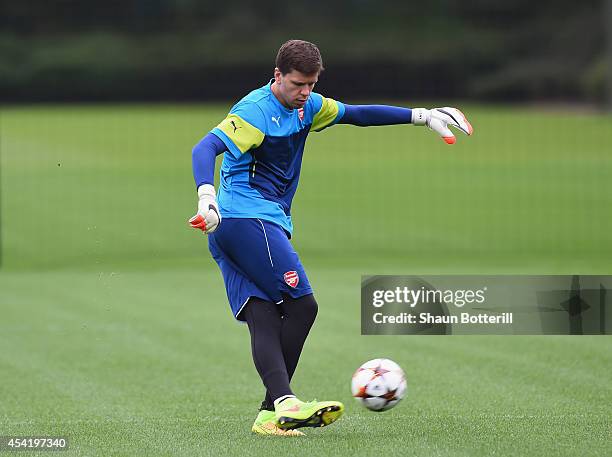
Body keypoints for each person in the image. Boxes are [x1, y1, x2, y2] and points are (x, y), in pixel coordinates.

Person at [189, 39, 473, 436]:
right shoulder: (254, 111)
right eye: (296, 84)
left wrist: (421, 116)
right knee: (303, 306)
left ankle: (273, 414)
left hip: (244, 226)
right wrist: (207, 197)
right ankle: (280, 404)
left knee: (264, 314)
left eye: (310, 84)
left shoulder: (308, 107)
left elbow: (357, 114)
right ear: (277, 76)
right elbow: (204, 148)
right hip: (241, 219)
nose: (304, 92)